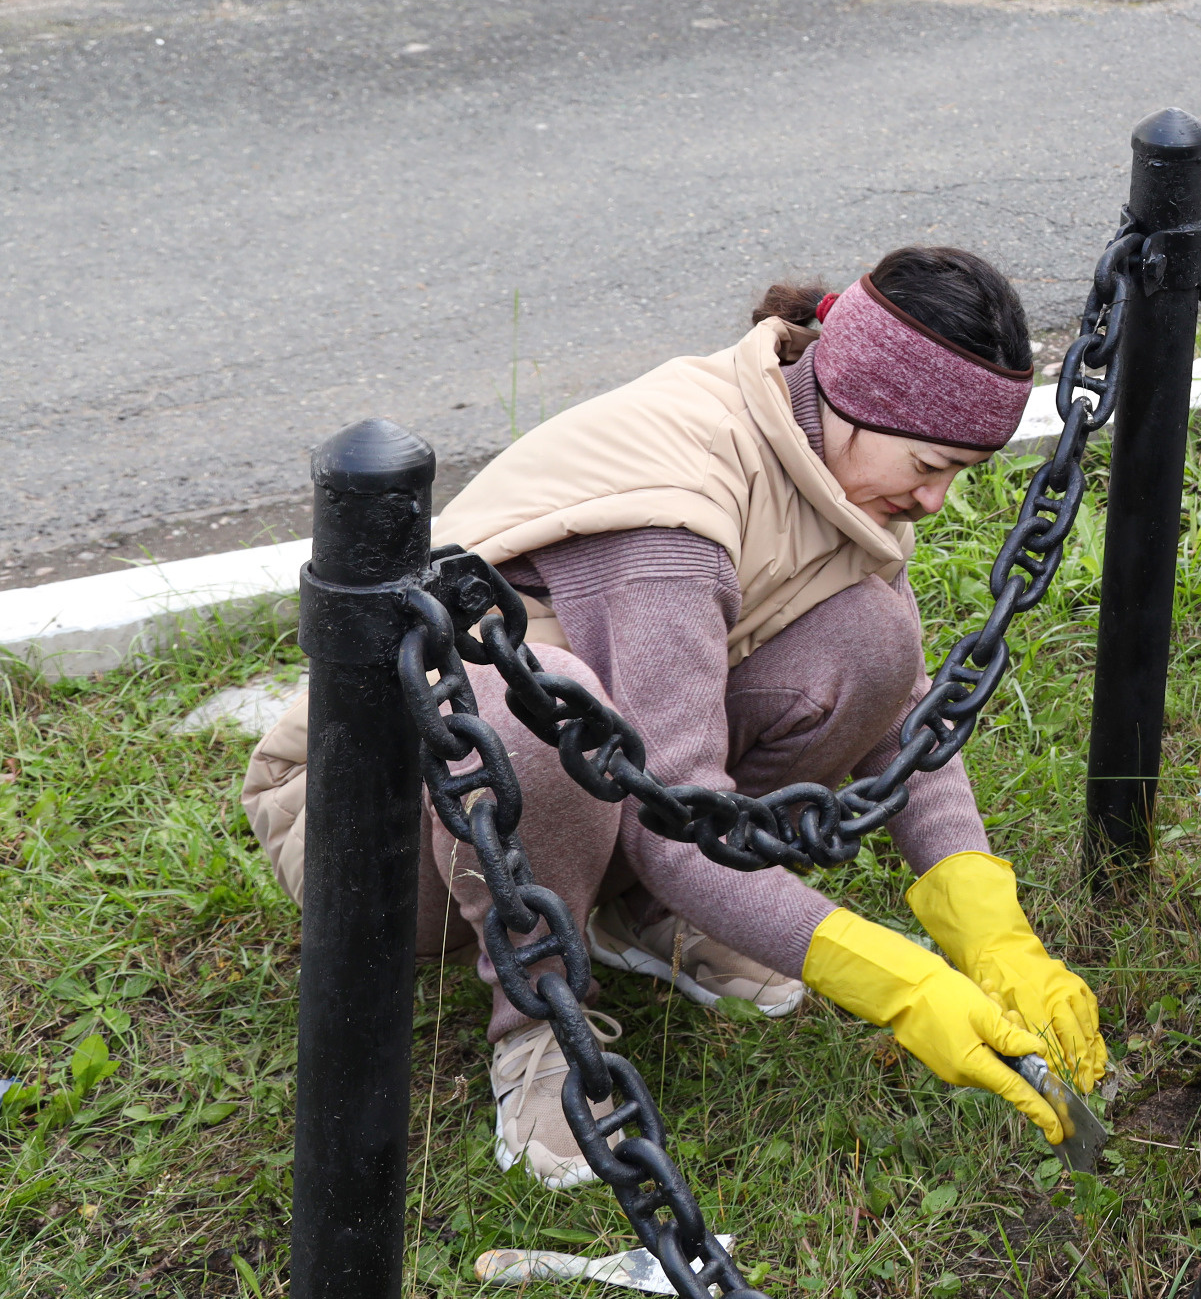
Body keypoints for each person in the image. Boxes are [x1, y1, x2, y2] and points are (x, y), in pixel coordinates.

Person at [242, 247, 1105, 1186]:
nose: (936, 501)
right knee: (541, 711)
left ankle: (643, 919)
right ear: (862, 398)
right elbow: (675, 819)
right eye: (932, 464)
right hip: (378, 834)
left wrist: (988, 927)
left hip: (558, 785)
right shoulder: (678, 514)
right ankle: (540, 1027)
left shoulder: (825, 443)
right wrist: (897, 981)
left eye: (963, 472)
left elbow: (907, 720)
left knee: (872, 640)